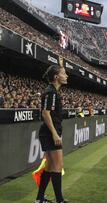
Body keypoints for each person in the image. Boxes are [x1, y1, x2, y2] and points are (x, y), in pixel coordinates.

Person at [35, 64, 68, 203]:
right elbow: (45, 113)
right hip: (49, 133)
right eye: (64, 73)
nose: (66, 76)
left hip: (49, 132)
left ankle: (39, 199)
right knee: (57, 167)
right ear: (56, 77)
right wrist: (54, 134)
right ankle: (59, 200)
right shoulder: (51, 92)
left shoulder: (53, 92)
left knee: (49, 167)